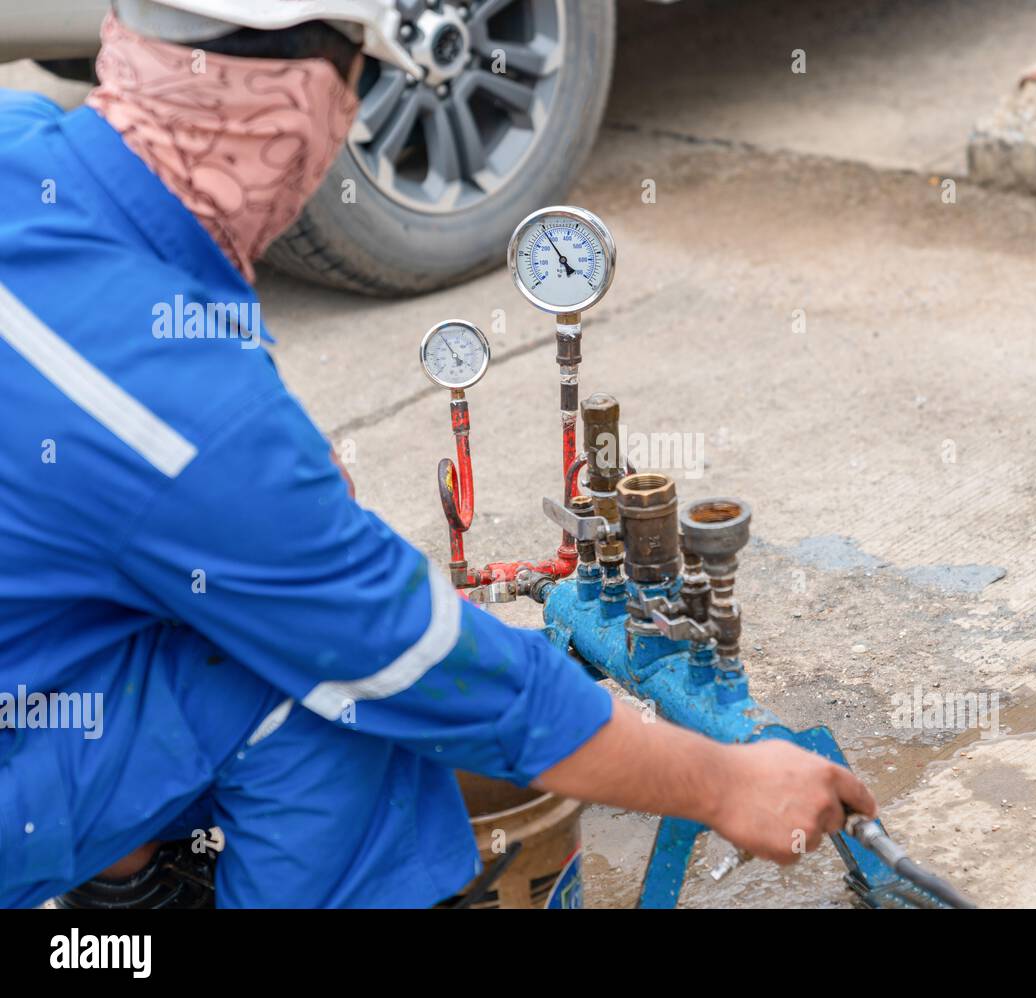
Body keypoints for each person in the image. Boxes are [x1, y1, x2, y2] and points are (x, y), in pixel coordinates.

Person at [0, 0, 875, 908]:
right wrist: (724, 782)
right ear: (310, 98)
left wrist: (253, 493)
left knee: (206, 609)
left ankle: (120, 900)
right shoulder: (188, 414)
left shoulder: (20, 143)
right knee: (331, 703)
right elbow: (414, 662)